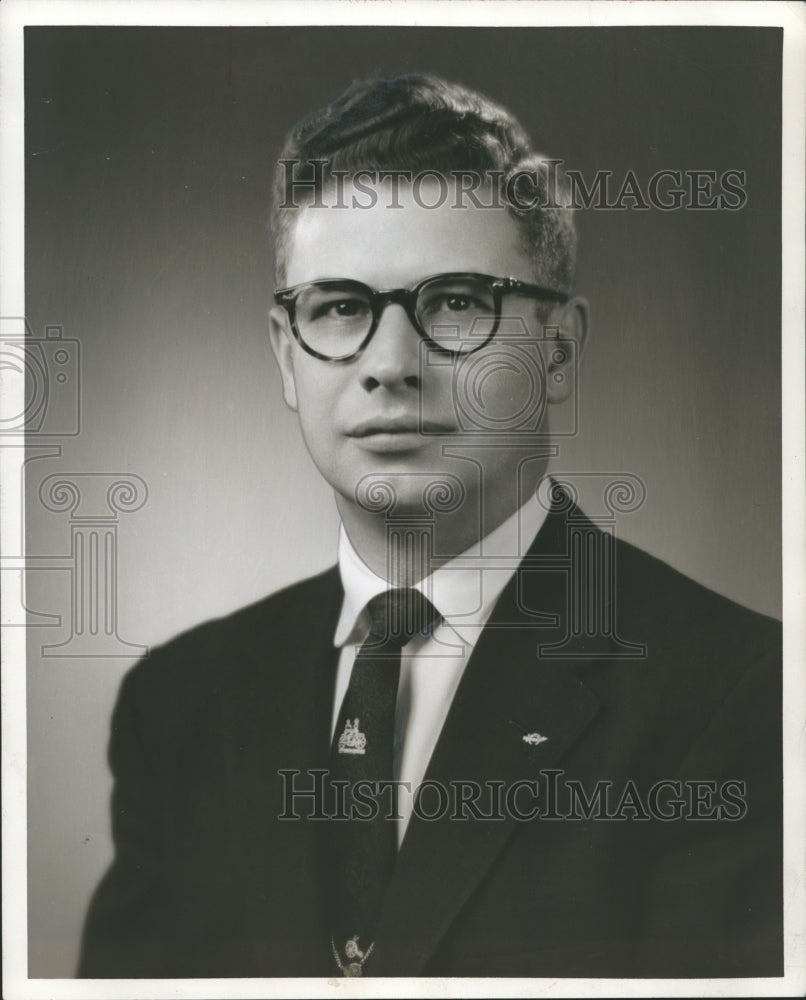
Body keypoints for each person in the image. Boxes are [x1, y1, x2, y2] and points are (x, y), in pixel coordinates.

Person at [78, 74, 782, 979]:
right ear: (286, 356)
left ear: (558, 351)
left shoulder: (739, 696)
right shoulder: (179, 703)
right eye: (339, 307)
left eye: (456, 302)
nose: (390, 365)